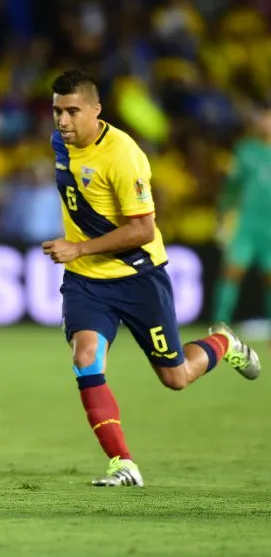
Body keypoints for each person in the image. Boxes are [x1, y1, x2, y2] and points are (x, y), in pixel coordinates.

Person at [42, 69, 260, 487]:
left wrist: (78, 247)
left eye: (72, 111)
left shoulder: (123, 156)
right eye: (57, 111)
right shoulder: (59, 144)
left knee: (176, 377)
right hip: (86, 281)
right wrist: (80, 254)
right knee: (85, 358)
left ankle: (223, 342)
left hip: (138, 277)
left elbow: (143, 229)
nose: (63, 121)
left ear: (96, 110)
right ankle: (123, 463)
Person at [213, 104, 271, 328]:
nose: (266, 123)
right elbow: (231, 188)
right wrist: (223, 217)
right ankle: (219, 323)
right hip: (246, 222)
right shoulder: (245, 150)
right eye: (264, 118)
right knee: (232, 272)